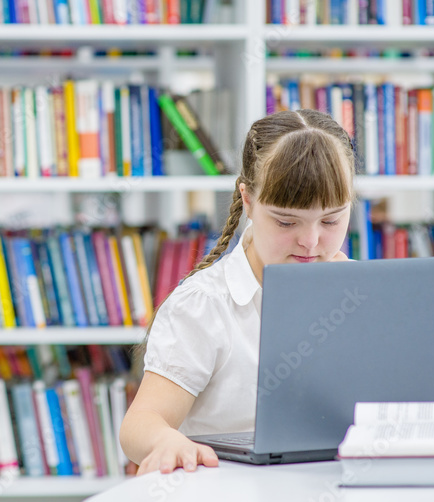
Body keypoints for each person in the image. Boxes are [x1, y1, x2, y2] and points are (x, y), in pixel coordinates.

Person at [119, 109, 357, 475]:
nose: (310, 242)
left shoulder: (362, 293)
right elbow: (140, 423)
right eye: (286, 221)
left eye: (331, 220)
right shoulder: (206, 306)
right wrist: (166, 440)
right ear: (248, 201)